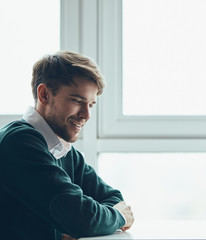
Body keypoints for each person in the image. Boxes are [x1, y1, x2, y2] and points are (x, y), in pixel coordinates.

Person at [0, 51, 134, 240]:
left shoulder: (62, 150)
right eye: (77, 101)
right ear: (44, 95)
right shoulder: (19, 143)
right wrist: (118, 217)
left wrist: (76, 221)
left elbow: (112, 198)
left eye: (91, 105)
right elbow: (82, 218)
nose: (86, 115)